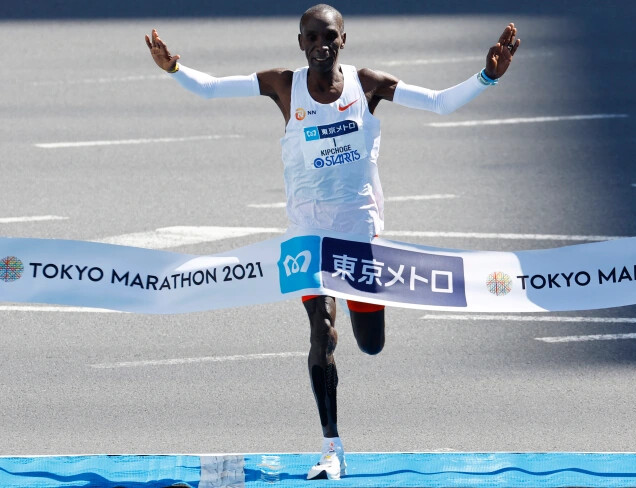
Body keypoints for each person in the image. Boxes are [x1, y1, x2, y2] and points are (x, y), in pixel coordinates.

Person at [145, 4, 518, 480]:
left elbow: (439, 102)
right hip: (307, 233)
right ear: (300, 43)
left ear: (343, 40)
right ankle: (331, 446)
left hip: (358, 231)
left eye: (329, 36)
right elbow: (213, 87)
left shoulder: (368, 85)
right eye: (311, 37)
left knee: (371, 344)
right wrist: (174, 68)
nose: (320, 44)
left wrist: (487, 77)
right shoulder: (285, 85)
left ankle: (368, 320)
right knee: (321, 332)